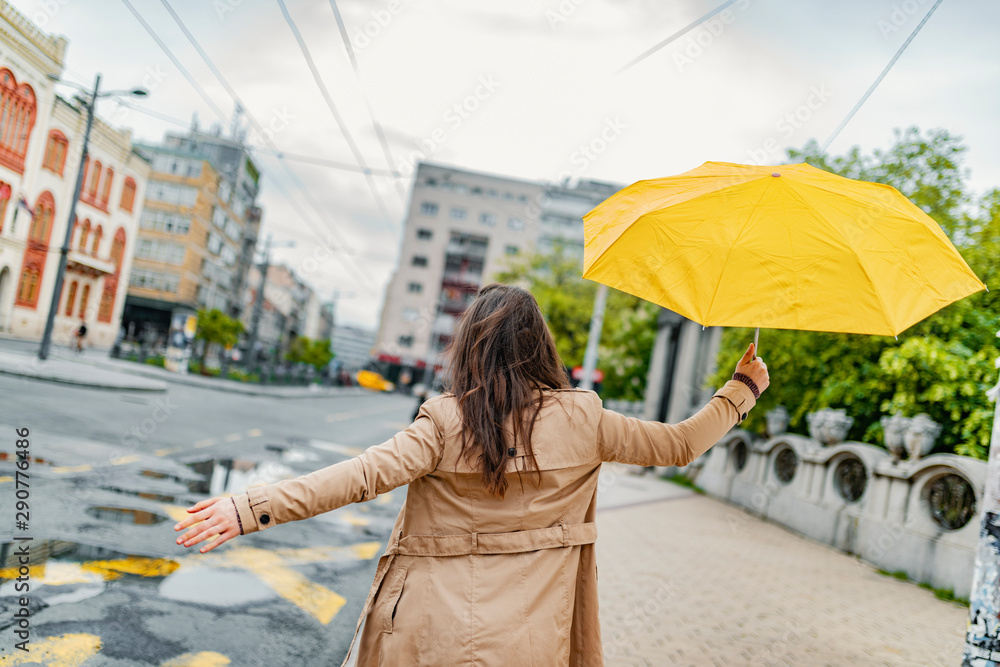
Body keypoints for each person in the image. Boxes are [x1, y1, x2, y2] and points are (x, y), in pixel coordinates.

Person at [173, 284, 769, 666]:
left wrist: (250, 508)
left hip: (426, 633)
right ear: (540, 345)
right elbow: (682, 444)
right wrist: (740, 390)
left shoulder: (444, 420)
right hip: (531, 641)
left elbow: (360, 475)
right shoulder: (586, 420)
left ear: (471, 347)